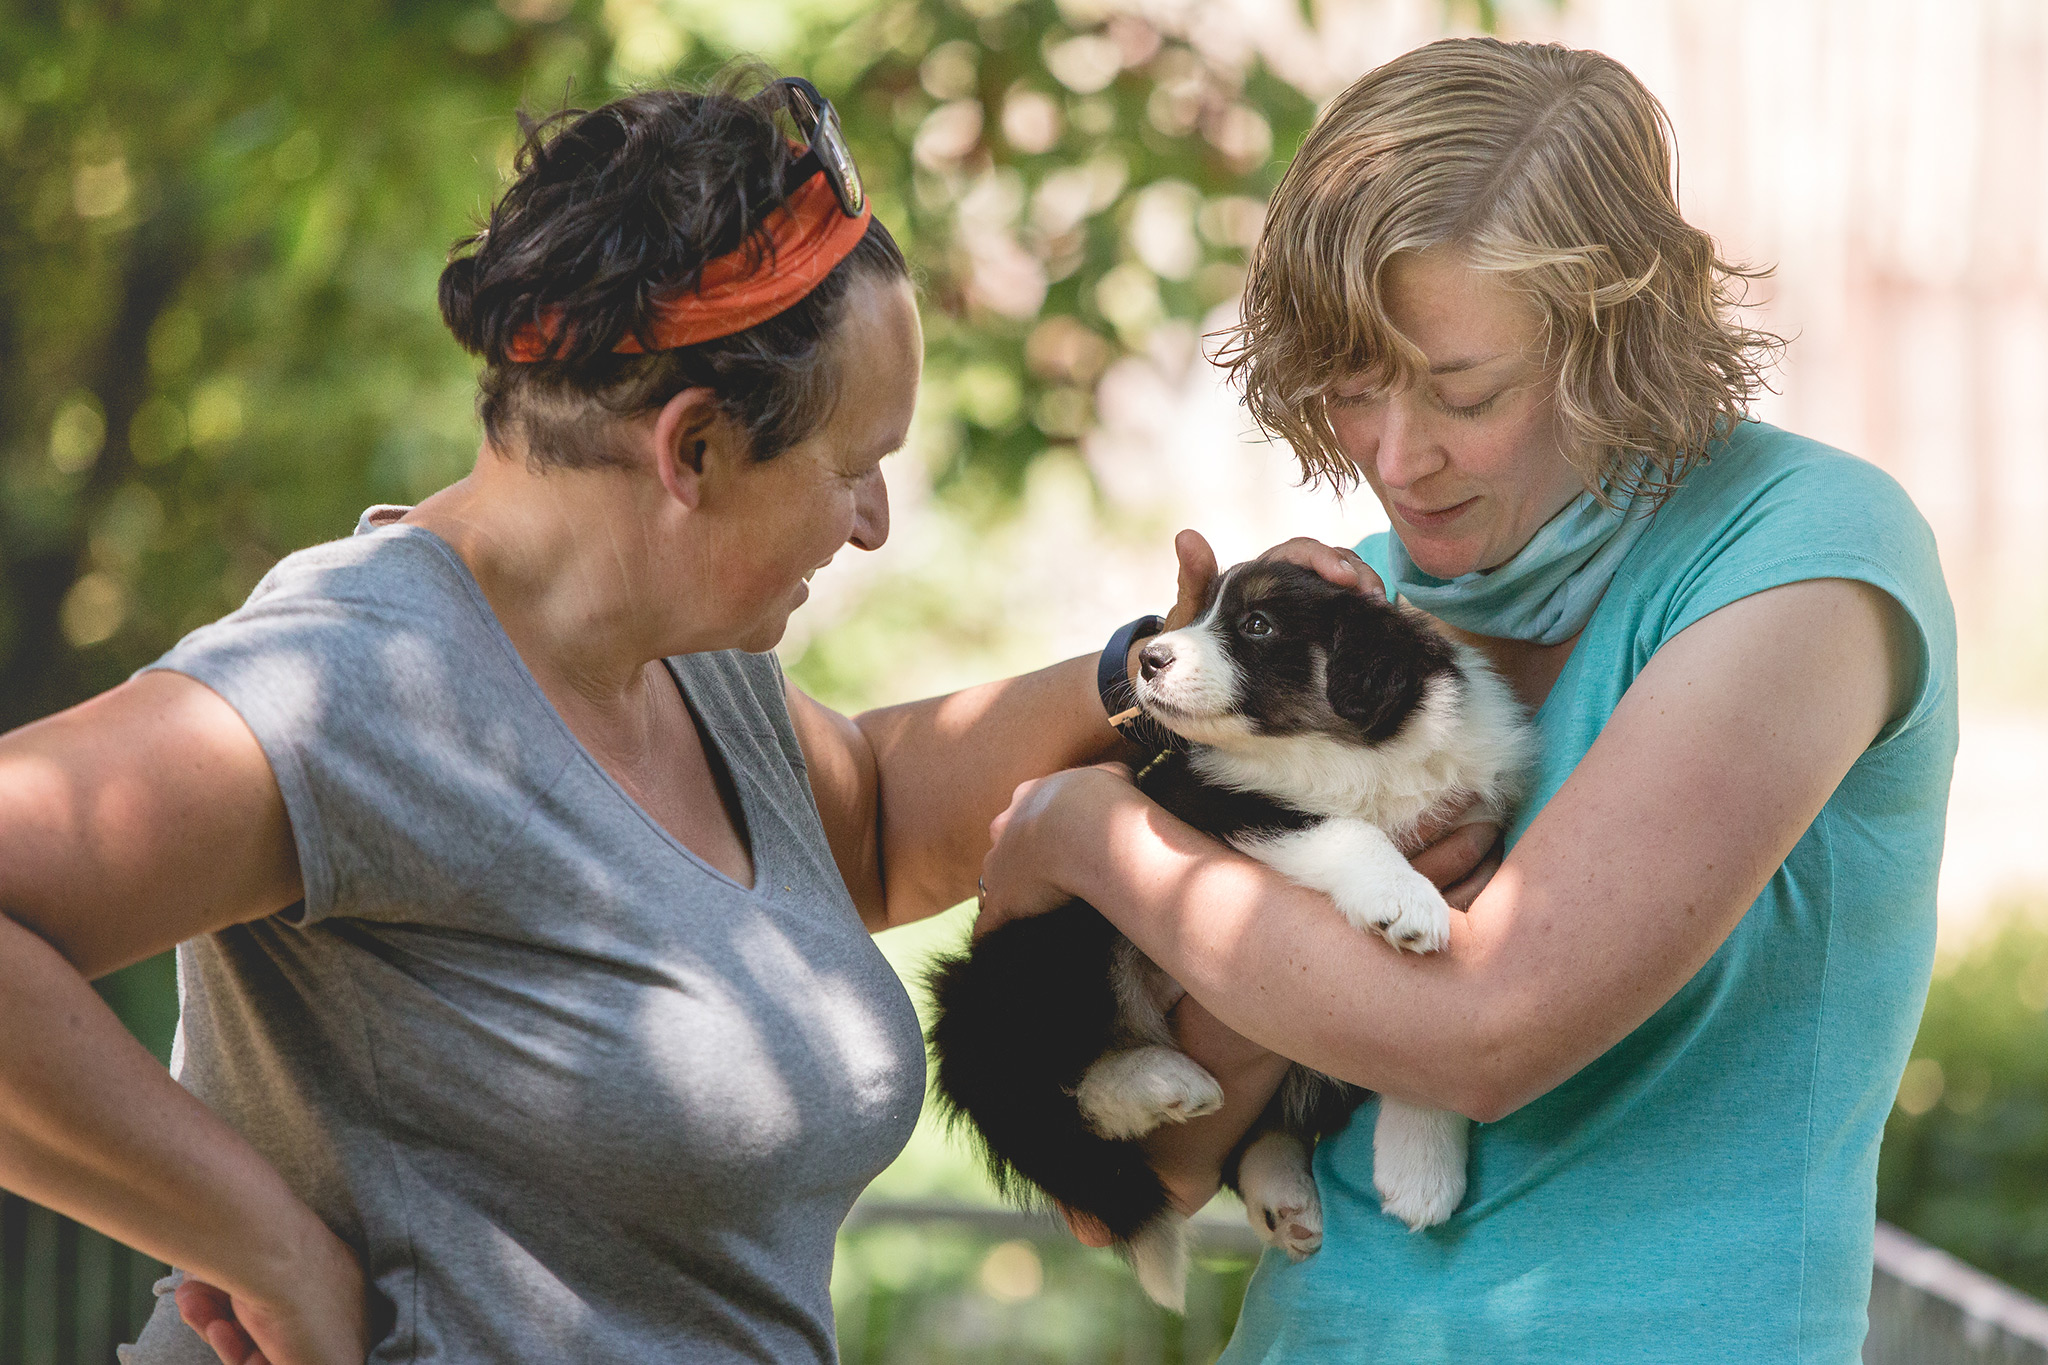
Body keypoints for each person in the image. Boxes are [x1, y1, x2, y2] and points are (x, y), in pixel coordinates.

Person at [0, 77, 1480, 1365]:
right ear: (694, 447)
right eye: (855, 466)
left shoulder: (677, 663)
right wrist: (263, 1241)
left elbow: (883, 818)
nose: (878, 519)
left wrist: (1141, 671)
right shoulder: (360, 687)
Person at [975, 37, 1956, 1363]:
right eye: (1358, 385)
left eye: (1463, 390)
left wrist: (1082, 837)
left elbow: (1485, 1032)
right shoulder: (1357, 616)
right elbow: (1158, 1174)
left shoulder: (1809, 553)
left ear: (1618, 340)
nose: (1395, 455)